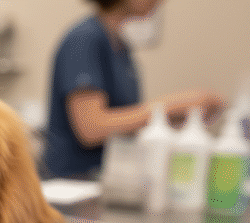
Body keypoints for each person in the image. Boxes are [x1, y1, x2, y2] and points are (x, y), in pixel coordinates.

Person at [43, 0, 225, 179]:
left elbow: (126, 120)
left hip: (106, 178)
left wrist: (181, 114)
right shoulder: (84, 40)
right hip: (73, 181)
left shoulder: (120, 46)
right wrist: (168, 107)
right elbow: (91, 128)